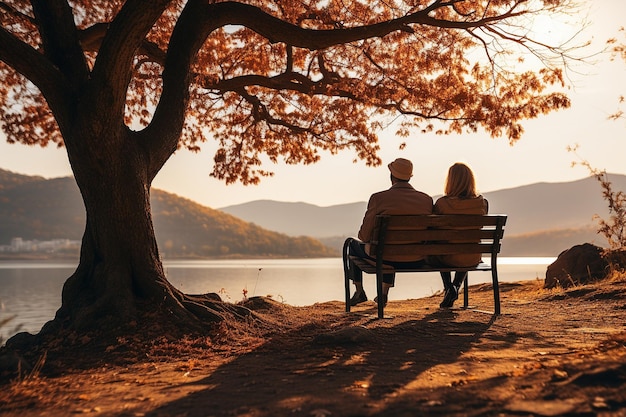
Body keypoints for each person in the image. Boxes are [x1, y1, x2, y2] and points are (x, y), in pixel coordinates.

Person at [343, 158, 433, 307]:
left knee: (352, 244)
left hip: (385, 259)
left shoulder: (379, 198)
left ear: (391, 176)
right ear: (410, 177)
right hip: (416, 258)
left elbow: (363, 236)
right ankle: (383, 293)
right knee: (388, 249)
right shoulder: (426, 200)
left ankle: (359, 292)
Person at [432, 162, 489, 308]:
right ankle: (456, 285)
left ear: (450, 181)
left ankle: (449, 287)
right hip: (472, 257)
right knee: (465, 247)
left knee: (438, 247)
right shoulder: (482, 203)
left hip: (446, 257)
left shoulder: (442, 204)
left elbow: (434, 230)